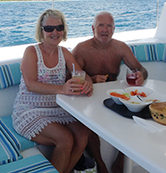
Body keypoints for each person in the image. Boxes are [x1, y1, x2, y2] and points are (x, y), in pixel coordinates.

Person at [12, 9, 93, 173]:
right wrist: (63, 89)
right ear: (41, 31)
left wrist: (89, 83)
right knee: (66, 139)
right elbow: (31, 85)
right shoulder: (31, 52)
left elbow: (82, 75)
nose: (54, 32)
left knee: (83, 135)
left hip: (58, 108)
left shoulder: (64, 53)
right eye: (49, 28)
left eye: (59, 27)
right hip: (29, 109)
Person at [72, 11, 148, 173]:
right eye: (101, 25)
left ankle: (120, 162)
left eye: (109, 26)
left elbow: (140, 69)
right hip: (90, 96)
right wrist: (90, 79)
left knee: (137, 117)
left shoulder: (120, 48)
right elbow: (71, 77)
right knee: (88, 124)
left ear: (114, 30)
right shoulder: (81, 49)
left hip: (114, 95)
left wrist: (141, 75)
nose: (105, 29)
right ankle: (101, 164)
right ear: (93, 28)